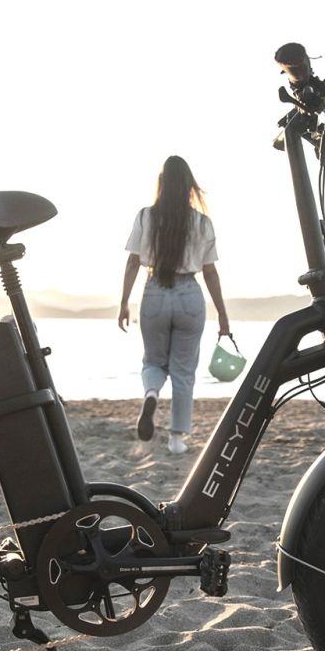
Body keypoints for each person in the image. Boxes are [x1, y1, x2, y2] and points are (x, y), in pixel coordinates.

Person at [117, 156, 231, 454]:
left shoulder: (145, 216)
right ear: (188, 186)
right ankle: (177, 439)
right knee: (183, 371)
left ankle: (152, 393)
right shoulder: (202, 222)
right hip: (189, 295)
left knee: (153, 362)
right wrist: (223, 315)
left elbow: (132, 262)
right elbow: (210, 272)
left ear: (162, 183)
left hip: (154, 291)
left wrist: (123, 303)